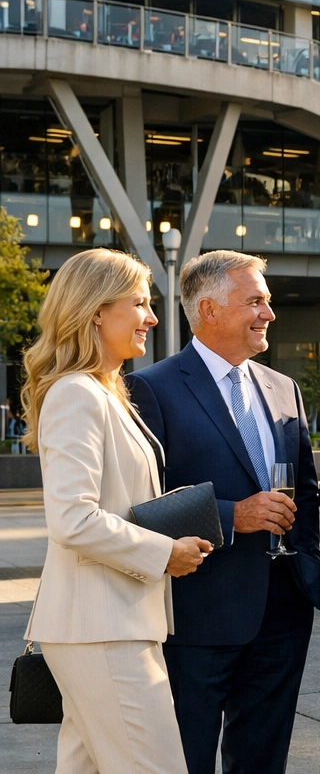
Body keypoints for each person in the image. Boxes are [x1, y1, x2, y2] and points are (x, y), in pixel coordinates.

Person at [126, 251, 320, 774]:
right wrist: (229, 515)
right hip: (199, 612)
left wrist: (308, 565)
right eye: (255, 301)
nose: (269, 313)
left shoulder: (285, 388)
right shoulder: (152, 389)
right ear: (209, 310)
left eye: (269, 301)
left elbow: (304, 492)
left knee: (263, 759)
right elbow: (140, 507)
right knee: (186, 757)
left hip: (283, 610)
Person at [22, 249, 211, 774]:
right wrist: (163, 550)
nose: (152, 318)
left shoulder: (105, 391)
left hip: (108, 623)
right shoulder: (77, 393)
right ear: (96, 311)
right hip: (102, 628)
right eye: (141, 304)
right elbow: (72, 518)